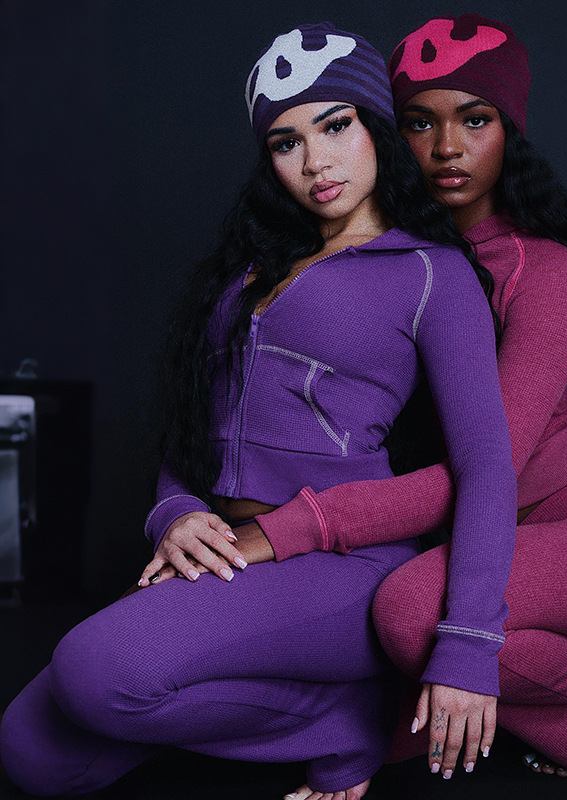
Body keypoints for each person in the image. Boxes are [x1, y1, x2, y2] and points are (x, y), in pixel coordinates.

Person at [0, 23, 517, 800]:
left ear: (376, 127)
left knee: (93, 671)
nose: (316, 162)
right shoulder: (252, 270)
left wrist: (470, 646)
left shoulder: (431, 274)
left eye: (335, 126)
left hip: (346, 568)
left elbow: (485, 467)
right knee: (33, 752)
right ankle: (325, 711)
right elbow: (195, 426)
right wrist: (174, 511)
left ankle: (341, 727)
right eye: (286, 142)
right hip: (231, 554)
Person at [252, 14, 567, 782]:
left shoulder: (543, 269)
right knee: (365, 658)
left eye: (475, 120)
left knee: (408, 613)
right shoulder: (377, 264)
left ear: (510, 131)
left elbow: (483, 471)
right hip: (489, 552)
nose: (447, 148)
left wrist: (286, 529)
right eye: (418, 123)